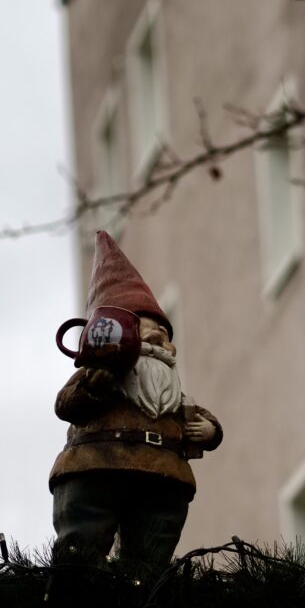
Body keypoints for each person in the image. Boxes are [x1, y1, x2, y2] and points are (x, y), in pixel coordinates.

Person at [49, 231, 222, 565]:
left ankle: (142, 592)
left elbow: (201, 416)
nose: (156, 335)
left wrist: (210, 431)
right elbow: (66, 405)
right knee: (81, 551)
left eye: (163, 331)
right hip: (96, 466)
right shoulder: (99, 374)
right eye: (145, 327)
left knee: (148, 565)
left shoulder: (171, 393)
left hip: (163, 477)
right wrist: (95, 387)